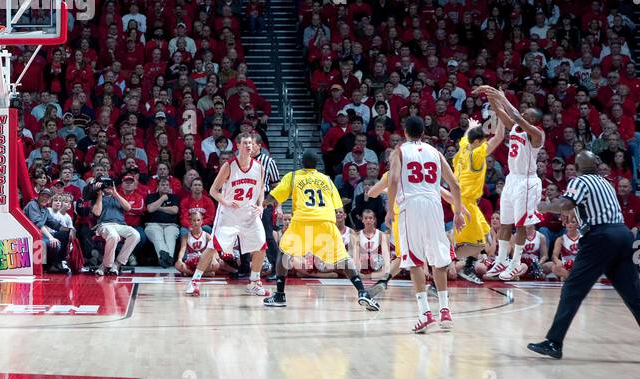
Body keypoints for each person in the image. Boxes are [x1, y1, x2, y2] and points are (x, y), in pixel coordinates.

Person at [528, 151, 640, 363]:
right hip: (622, 235)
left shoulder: (580, 181)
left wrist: (546, 206)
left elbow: (566, 205)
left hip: (600, 237)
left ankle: (554, 342)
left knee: (573, 289)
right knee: (634, 297)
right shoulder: (605, 182)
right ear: (596, 164)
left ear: (576, 165)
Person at [263, 149, 379, 310]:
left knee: (283, 253)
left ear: (301, 163)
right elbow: (338, 206)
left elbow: (274, 197)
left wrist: (261, 204)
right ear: (317, 164)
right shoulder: (326, 179)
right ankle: (362, 292)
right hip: (325, 222)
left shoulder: (294, 176)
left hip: (302, 221)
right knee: (343, 259)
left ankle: (280, 295)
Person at [390, 116, 467, 333]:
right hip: (434, 206)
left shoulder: (399, 151)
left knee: (414, 260)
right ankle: (445, 311)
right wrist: (458, 212)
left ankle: (425, 314)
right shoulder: (436, 152)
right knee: (438, 259)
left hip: (411, 206)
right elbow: (455, 185)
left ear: (405, 132)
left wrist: (388, 210)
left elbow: (394, 181)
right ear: (423, 132)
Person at [185, 133, 269, 297]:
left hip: (249, 214)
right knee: (213, 247)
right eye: (245, 143)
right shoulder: (230, 166)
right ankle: (194, 281)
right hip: (229, 215)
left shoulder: (259, 166)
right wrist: (226, 201)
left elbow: (261, 189)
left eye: (251, 143)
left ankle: (254, 282)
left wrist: (260, 206)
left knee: (261, 245)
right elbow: (213, 191)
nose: (249, 146)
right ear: (237, 145)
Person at [476, 86, 544, 281]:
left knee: (521, 225)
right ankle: (502, 260)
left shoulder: (537, 135)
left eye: (526, 115)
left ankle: (515, 262)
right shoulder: (516, 127)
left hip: (527, 181)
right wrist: (493, 98)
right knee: (505, 222)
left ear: (533, 120)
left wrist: (503, 98)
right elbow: (503, 115)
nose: (521, 115)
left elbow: (515, 116)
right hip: (512, 178)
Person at [451, 117, 503, 284]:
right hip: (464, 202)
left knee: (487, 237)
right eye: (483, 141)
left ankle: (465, 265)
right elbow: (499, 138)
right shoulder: (476, 154)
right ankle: (446, 262)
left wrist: (472, 126)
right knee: (479, 243)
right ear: (478, 142)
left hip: (467, 201)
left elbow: (468, 135)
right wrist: (503, 119)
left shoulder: (465, 146)